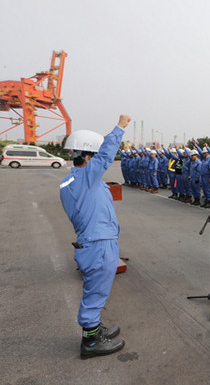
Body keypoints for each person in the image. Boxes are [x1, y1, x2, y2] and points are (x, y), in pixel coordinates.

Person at [59, 114, 130, 359]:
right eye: (95, 156)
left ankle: (95, 329)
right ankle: (90, 341)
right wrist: (120, 127)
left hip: (96, 241)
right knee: (95, 293)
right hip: (98, 244)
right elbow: (107, 154)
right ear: (88, 156)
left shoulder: (73, 179)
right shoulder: (84, 177)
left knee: (96, 289)